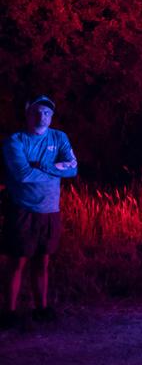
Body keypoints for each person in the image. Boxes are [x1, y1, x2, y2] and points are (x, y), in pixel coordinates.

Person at [2, 95, 78, 328]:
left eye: (46, 112)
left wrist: (43, 166)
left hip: (50, 210)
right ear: (27, 113)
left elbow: (73, 169)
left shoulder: (59, 137)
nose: (42, 116)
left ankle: (41, 309)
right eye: (37, 111)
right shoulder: (15, 140)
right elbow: (23, 175)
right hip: (23, 209)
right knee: (17, 261)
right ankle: (9, 313)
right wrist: (57, 169)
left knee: (43, 261)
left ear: (52, 116)